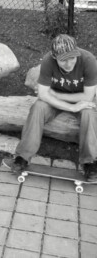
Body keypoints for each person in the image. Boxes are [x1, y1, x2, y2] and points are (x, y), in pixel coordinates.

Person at [11, 34, 97, 181]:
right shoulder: (47, 61)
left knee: (89, 113)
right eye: (63, 60)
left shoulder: (88, 60)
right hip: (56, 101)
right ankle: (23, 156)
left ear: (77, 52)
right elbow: (43, 96)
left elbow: (87, 97)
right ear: (54, 57)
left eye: (72, 58)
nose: (69, 64)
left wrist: (55, 95)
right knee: (37, 107)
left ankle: (90, 162)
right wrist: (71, 107)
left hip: (78, 100)